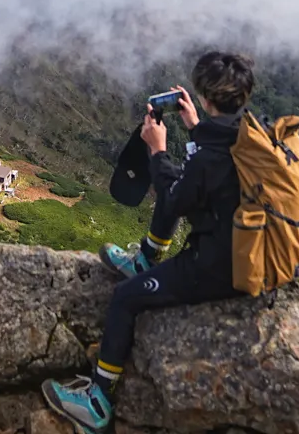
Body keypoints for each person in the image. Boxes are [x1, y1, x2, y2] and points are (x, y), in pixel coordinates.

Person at [41, 51, 256, 433]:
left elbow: (175, 198)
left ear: (207, 97)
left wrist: (157, 148)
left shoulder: (210, 160)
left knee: (125, 297)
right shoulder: (257, 131)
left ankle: (97, 399)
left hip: (223, 268)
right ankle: (146, 257)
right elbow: (212, 164)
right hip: (261, 253)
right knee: (178, 176)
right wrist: (194, 126)